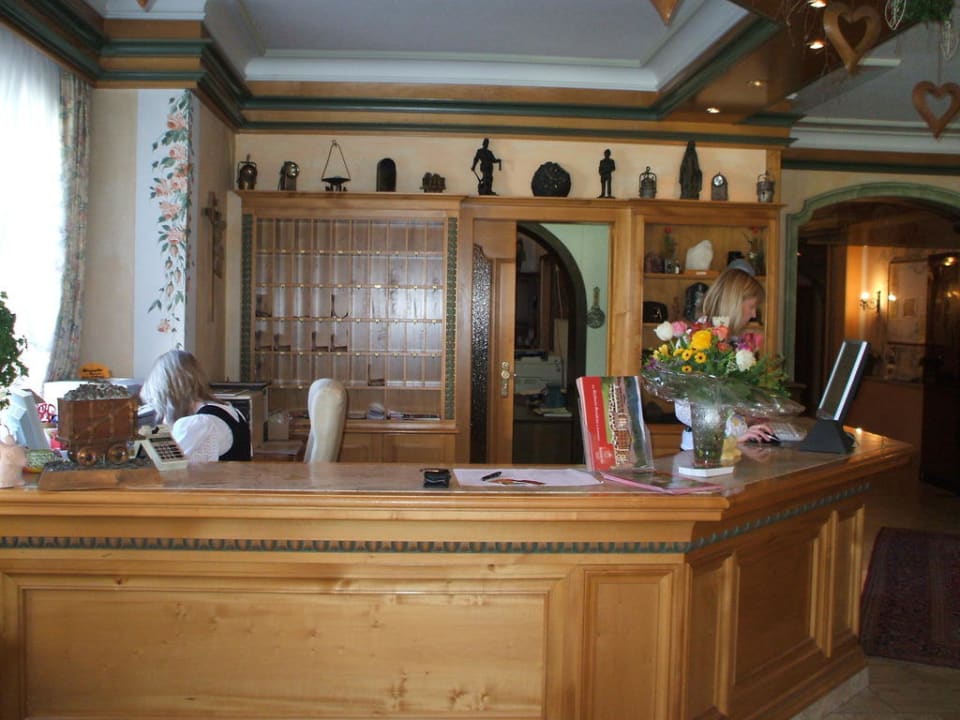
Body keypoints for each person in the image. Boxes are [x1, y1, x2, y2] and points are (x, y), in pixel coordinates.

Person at [677, 264, 776, 447]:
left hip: (729, 445)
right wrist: (734, 432)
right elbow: (685, 409)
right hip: (703, 448)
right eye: (752, 306)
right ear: (735, 304)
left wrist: (750, 416)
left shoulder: (732, 340)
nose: (754, 314)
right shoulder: (697, 340)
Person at [140, 350, 251, 462]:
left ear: (168, 393)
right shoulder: (231, 411)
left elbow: (168, 466)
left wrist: (165, 429)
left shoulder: (196, 424)